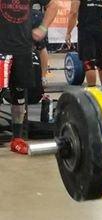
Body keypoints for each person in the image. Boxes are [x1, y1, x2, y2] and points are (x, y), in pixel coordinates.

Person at [0, 0, 58, 154]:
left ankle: (17, 138)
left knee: (19, 95)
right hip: (1, 47)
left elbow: (53, 4)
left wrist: (43, 28)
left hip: (22, 48)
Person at [66, 0, 102, 87]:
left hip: (85, 30)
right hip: (100, 30)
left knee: (88, 62)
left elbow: (73, 12)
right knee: (101, 62)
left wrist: (68, 33)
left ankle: (93, 92)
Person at [31, 0, 51, 86]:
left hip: (33, 16)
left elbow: (52, 5)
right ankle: (43, 77)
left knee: (41, 47)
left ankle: (43, 76)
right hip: (35, 16)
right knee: (41, 47)